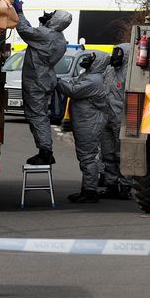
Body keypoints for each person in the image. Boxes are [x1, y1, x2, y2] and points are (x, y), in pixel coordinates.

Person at [14, 0, 72, 165]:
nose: (48, 16)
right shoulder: (59, 38)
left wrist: (19, 12)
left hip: (36, 81)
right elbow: (36, 33)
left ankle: (45, 151)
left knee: (37, 116)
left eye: (51, 15)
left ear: (55, 20)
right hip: (44, 79)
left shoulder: (46, 35)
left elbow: (24, 30)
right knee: (37, 115)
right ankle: (44, 149)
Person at [57, 51, 110, 203]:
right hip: (85, 123)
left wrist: (56, 82)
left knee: (88, 157)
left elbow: (73, 90)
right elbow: (73, 82)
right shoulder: (87, 76)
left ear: (98, 62)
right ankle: (86, 189)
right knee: (85, 157)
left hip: (90, 124)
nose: (87, 60)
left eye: (91, 58)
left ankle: (90, 192)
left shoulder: (94, 80)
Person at [99, 45, 132, 200]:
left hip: (121, 120)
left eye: (118, 54)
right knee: (107, 153)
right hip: (106, 117)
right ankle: (111, 185)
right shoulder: (109, 71)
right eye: (114, 53)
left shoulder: (129, 74)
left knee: (121, 154)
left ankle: (125, 185)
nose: (115, 56)